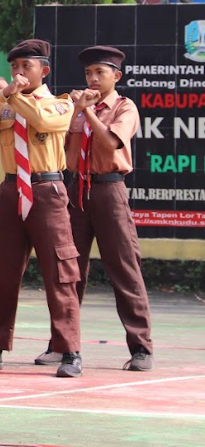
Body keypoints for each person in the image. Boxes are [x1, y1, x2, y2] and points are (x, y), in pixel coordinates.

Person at [0, 39, 83, 379]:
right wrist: (2, 96)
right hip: (12, 188)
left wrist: (12, 94)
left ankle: (69, 349)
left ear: (43, 71)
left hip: (45, 189)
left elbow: (41, 122)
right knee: (5, 272)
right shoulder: (6, 104)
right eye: (14, 67)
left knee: (59, 272)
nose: (18, 73)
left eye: (26, 67)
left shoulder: (59, 104)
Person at [49, 45, 152, 372]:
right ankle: (62, 345)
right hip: (76, 188)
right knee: (69, 271)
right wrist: (73, 110)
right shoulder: (74, 107)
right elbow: (58, 142)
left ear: (116, 76)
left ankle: (141, 348)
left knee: (124, 267)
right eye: (88, 73)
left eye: (99, 73)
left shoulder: (125, 107)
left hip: (109, 189)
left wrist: (88, 112)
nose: (92, 79)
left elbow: (110, 142)